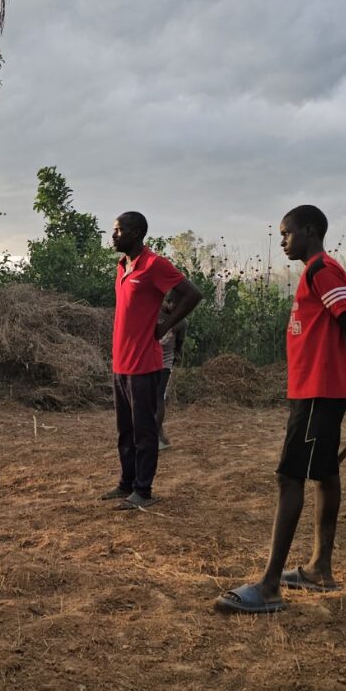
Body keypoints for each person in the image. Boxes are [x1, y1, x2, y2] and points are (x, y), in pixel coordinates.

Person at [215, 205, 346, 613]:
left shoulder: (322, 270)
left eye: (287, 233)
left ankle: (269, 586)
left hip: (318, 393)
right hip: (318, 391)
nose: (283, 240)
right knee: (325, 472)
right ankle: (319, 569)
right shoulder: (317, 272)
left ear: (309, 230)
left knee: (290, 478)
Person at [100, 211, 202, 510]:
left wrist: (165, 325)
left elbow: (192, 294)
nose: (113, 235)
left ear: (136, 233)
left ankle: (143, 491)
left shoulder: (154, 264)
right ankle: (126, 483)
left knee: (144, 431)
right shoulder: (122, 266)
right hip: (121, 363)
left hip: (144, 363)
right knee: (125, 430)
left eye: (119, 230)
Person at [154, 290, 188, 451]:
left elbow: (179, 345)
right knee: (152, 400)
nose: (177, 309)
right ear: (168, 301)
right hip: (149, 362)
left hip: (164, 364)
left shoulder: (182, 322)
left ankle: (153, 437)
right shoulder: (154, 313)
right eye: (175, 305)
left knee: (158, 398)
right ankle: (160, 436)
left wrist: (175, 357)